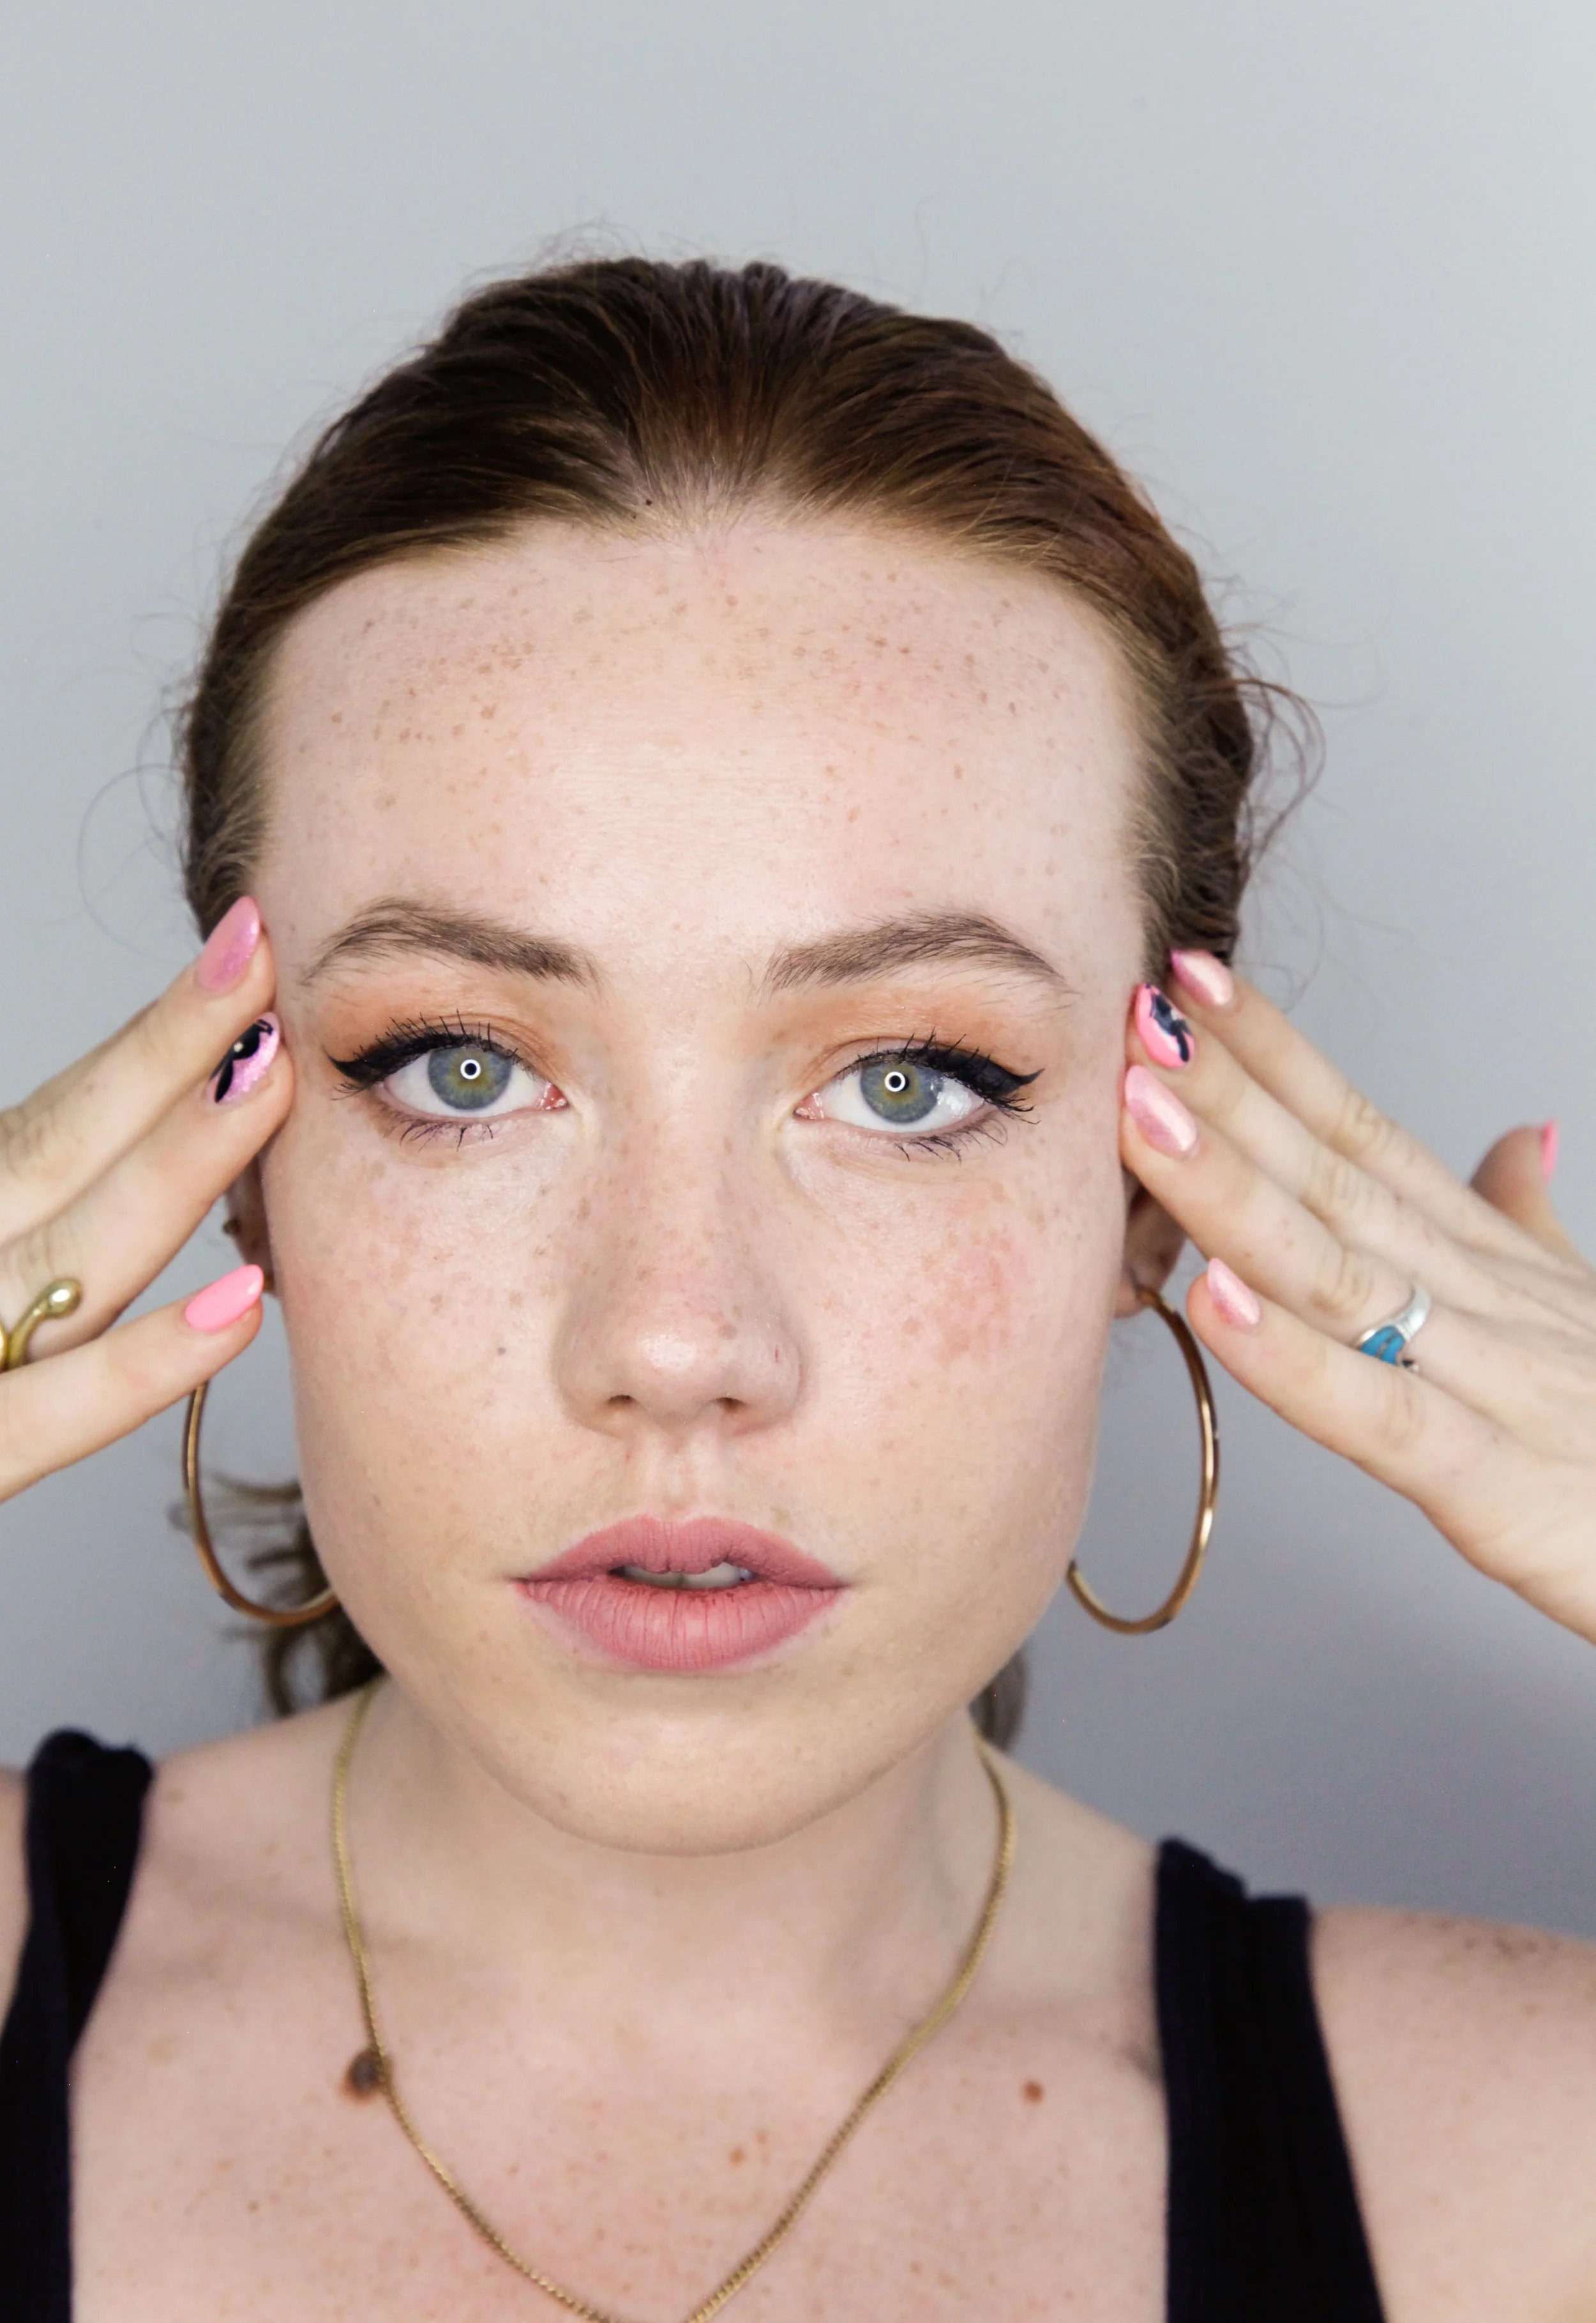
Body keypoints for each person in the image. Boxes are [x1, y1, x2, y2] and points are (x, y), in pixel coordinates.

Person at [1, 258, 1593, 2323]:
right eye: (458, 1070)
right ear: (240, 1165)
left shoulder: (1521, 2186)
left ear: (1151, 1186)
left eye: (910, 1078)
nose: (676, 1340)